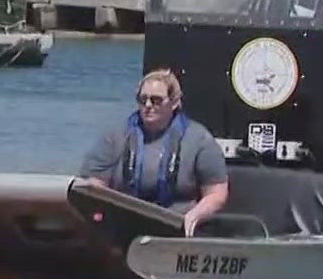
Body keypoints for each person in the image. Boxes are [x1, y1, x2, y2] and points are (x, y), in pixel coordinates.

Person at [76, 68, 229, 236]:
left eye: (156, 100)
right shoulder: (115, 136)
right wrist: (97, 208)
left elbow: (216, 193)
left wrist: (195, 216)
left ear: (174, 102)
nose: (148, 106)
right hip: (124, 224)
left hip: (178, 225)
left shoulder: (199, 139)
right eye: (143, 100)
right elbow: (93, 183)